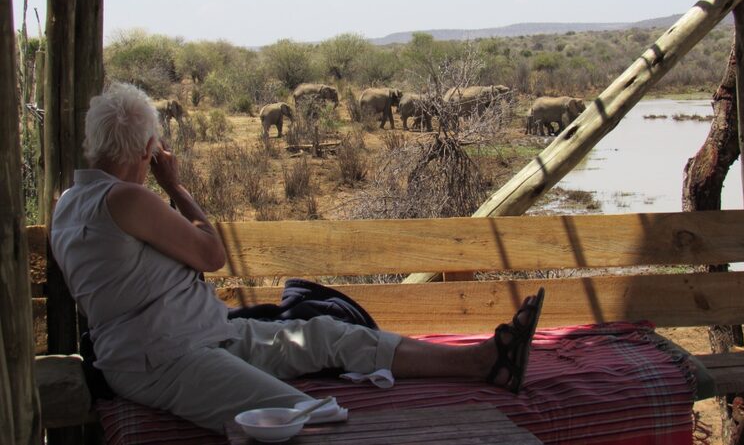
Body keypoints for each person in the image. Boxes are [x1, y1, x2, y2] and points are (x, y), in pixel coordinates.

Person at [51, 82, 545, 434]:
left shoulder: (69, 204)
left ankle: (480, 360)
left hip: (203, 335)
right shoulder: (126, 200)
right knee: (305, 414)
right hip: (165, 359)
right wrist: (176, 186)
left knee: (331, 334)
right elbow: (212, 253)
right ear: (147, 149)